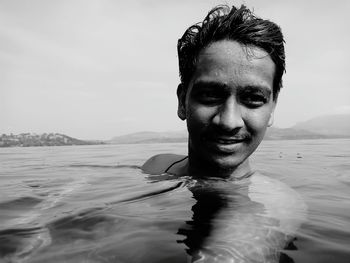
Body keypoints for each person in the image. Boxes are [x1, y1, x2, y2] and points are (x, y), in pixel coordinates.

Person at [142, 4, 307, 262]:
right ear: (182, 101)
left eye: (253, 98)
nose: (229, 121)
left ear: (272, 108)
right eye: (210, 95)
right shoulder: (156, 165)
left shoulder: (273, 203)